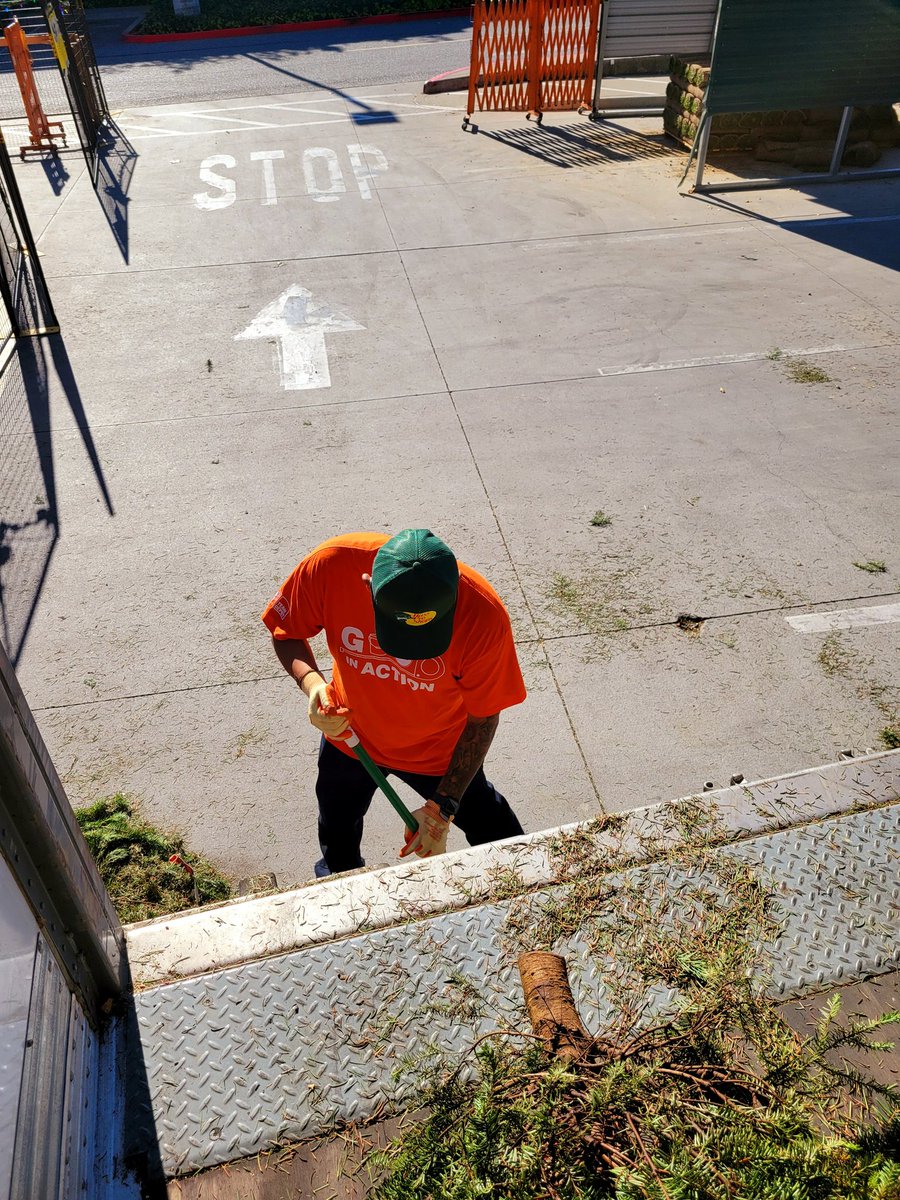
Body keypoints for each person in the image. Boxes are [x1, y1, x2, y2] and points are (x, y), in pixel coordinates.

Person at [262, 529, 527, 876]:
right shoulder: (331, 566)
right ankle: (339, 884)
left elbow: (483, 720)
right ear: (368, 585)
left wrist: (442, 808)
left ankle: (526, 881)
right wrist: (313, 685)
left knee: (497, 834)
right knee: (337, 828)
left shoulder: (483, 615)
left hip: (439, 752)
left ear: (454, 597)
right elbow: (286, 630)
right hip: (351, 738)